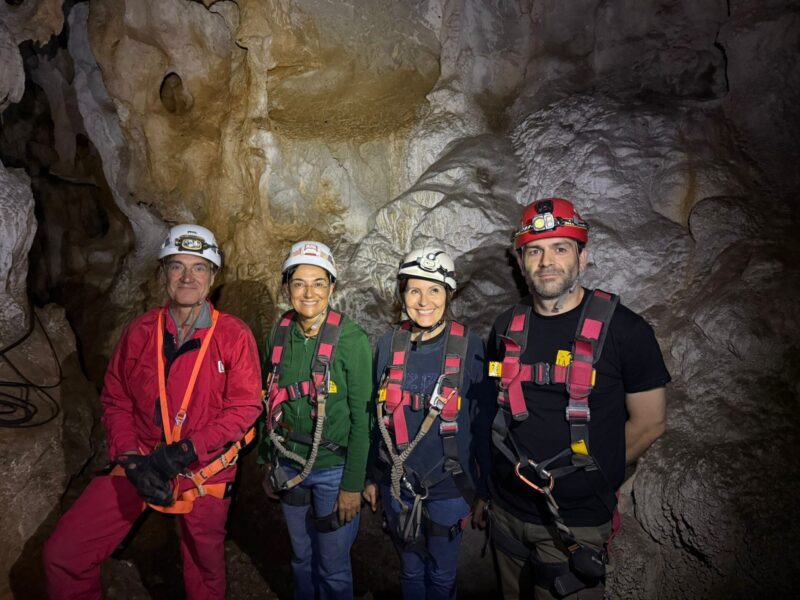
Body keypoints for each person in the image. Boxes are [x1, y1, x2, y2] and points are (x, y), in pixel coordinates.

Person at [43, 224, 263, 599]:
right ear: (164, 275)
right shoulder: (140, 332)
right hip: (141, 462)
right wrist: (129, 459)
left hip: (201, 470)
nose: (187, 276)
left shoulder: (232, 335)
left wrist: (184, 452)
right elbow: (117, 399)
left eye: (198, 267)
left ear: (212, 277)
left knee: (204, 575)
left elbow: (245, 406)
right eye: (177, 266)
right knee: (64, 554)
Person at [483, 198, 670, 600]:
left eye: (560, 248)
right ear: (520, 261)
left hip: (577, 522)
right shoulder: (505, 327)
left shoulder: (626, 331)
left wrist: (592, 476)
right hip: (507, 509)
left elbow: (651, 421)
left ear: (582, 258)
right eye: (535, 250)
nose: (546, 261)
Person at [362, 247, 494, 600]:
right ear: (402, 294)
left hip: (449, 485)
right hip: (397, 482)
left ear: (448, 295)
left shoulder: (470, 346)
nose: (423, 300)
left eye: (434, 290)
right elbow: (378, 419)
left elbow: (483, 425)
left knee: (441, 574)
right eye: (414, 290)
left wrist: (485, 491)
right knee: (410, 569)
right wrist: (373, 476)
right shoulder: (390, 344)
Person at [259, 240, 372, 600]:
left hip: (333, 471)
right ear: (287, 287)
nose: (309, 292)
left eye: (319, 283)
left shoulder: (351, 341)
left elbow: (363, 419)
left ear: (332, 287)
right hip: (289, 465)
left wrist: (353, 485)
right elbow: (270, 401)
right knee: (300, 556)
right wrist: (267, 461)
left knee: (333, 566)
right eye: (299, 283)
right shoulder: (279, 334)